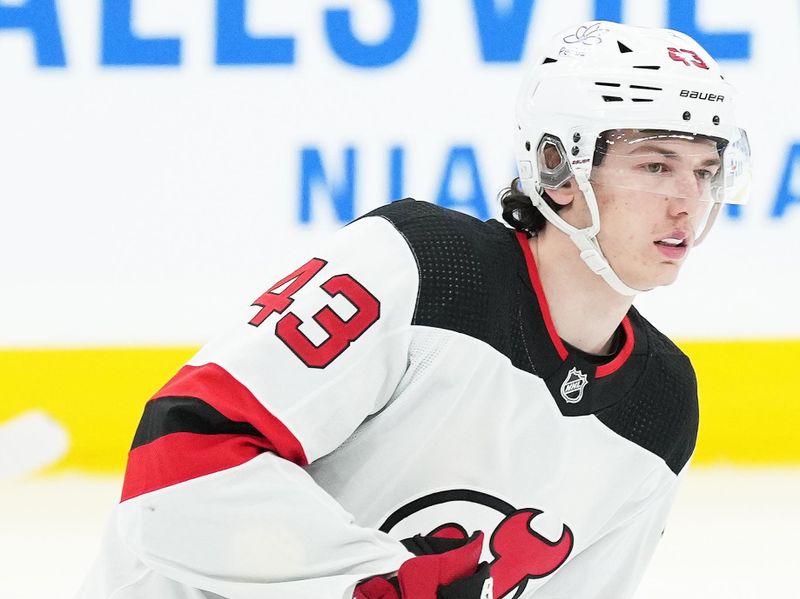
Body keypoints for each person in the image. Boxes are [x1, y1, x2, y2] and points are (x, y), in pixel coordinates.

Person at [77, 20, 750, 599]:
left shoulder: (658, 405)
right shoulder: (424, 269)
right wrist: (374, 582)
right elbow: (177, 463)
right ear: (559, 170)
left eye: (705, 169)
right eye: (656, 165)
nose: (688, 201)